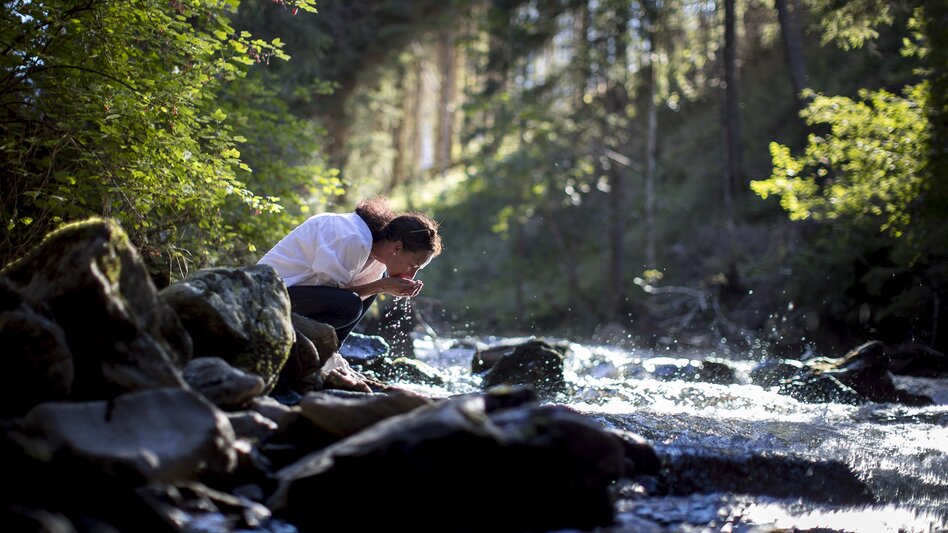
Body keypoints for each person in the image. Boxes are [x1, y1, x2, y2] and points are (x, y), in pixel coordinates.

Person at [258, 195, 441, 347]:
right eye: (412, 266)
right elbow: (333, 297)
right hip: (266, 297)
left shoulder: (377, 257)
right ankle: (307, 352)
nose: (412, 275)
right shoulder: (352, 237)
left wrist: (380, 286)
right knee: (350, 304)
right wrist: (381, 286)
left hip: (295, 297)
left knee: (370, 290)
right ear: (397, 247)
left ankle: (330, 356)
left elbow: (331, 297)